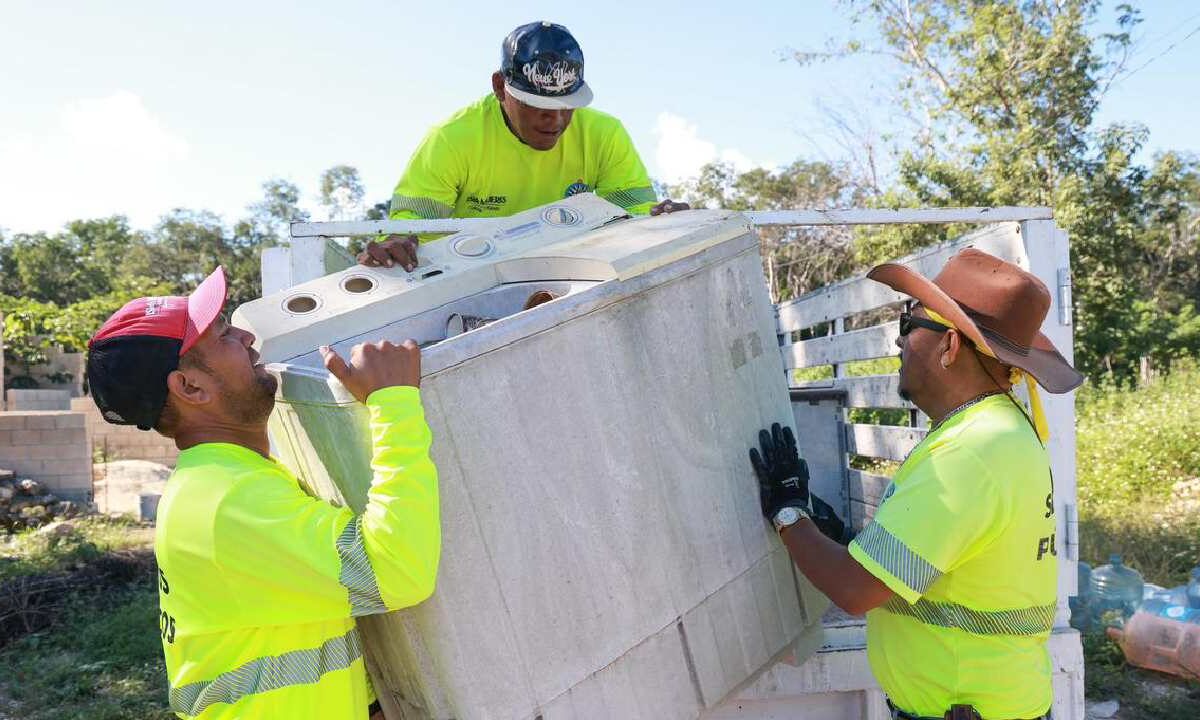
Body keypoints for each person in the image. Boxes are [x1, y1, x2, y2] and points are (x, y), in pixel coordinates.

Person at [85, 267, 440, 719]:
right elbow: (398, 573)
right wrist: (393, 402)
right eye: (222, 335)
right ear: (191, 387)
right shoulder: (227, 500)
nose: (246, 338)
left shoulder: (228, 478)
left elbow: (296, 627)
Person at [749, 249, 1084, 720]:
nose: (899, 343)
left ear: (949, 346)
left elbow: (856, 591)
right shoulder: (994, 431)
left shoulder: (971, 451)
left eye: (909, 326)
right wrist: (830, 531)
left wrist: (789, 514)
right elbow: (936, 564)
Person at [359, 20, 689, 272]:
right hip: (473, 283)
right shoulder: (451, 139)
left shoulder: (606, 134)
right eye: (536, 105)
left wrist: (663, 222)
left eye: (566, 105)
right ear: (500, 87)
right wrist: (398, 243)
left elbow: (636, 218)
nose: (555, 120)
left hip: (576, 277)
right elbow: (412, 227)